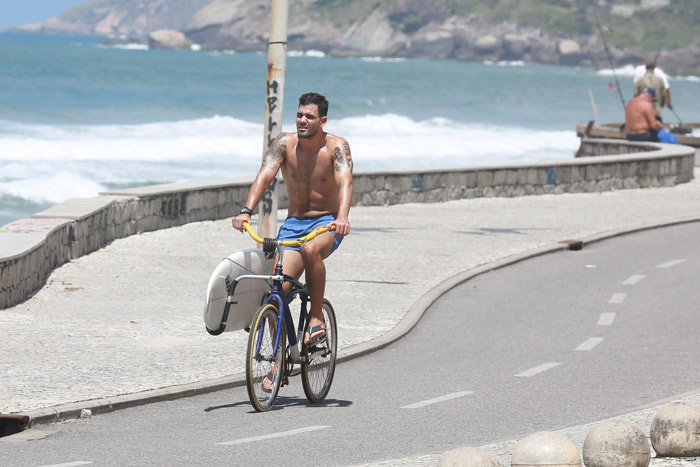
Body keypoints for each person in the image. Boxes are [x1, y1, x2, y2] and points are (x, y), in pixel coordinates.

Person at [232, 91, 353, 350]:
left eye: (309, 116)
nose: (302, 120)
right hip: (294, 225)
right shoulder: (284, 143)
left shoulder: (336, 146)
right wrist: (246, 210)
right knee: (275, 295)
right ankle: (278, 361)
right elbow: (264, 176)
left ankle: (316, 317)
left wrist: (342, 217)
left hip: (328, 222)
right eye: (299, 115)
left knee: (311, 251)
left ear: (323, 121)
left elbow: (345, 182)